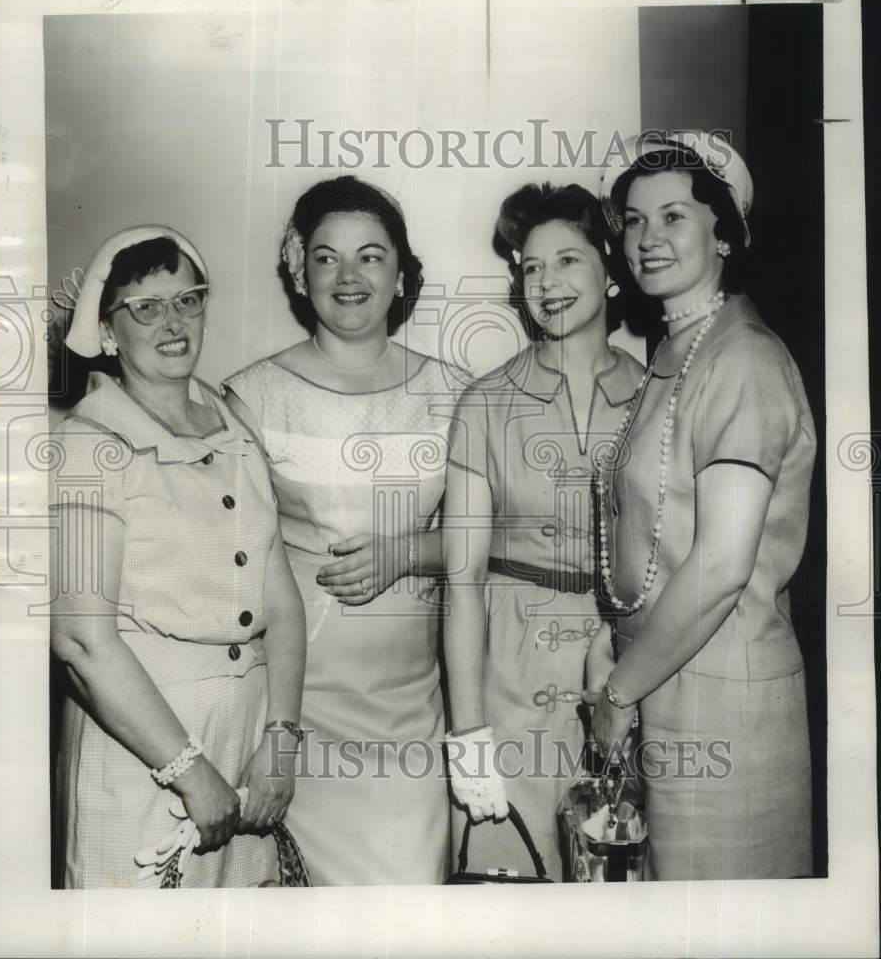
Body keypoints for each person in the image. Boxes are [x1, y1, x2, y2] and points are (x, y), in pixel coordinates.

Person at [586, 132, 816, 880]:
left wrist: (620, 691)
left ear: (724, 233)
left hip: (723, 701)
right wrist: (615, 644)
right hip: (664, 673)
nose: (647, 237)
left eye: (674, 216)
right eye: (632, 218)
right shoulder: (678, 351)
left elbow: (720, 563)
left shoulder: (741, 356)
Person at [49, 226, 306, 888]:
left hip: (245, 745)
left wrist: (280, 739)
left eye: (187, 300)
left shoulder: (231, 422)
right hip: (144, 751)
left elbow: (280, 599)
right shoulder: (86, 445)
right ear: (108, 332)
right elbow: (81, 640)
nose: (173, 322)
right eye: (145, 307)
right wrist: (187, 772)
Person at [224, 176, 460, 885]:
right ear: (301, 275)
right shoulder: (250, 396)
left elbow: (506, 537)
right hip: (293, 714)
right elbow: (237, 559)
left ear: (400, 274)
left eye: (369, 256)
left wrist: (410, 551)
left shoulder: (456, 392)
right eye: (326, 258)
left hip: (410, 710)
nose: (348, 276)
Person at [442, 183, 644, 879]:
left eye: (567, 261)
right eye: (530, 267)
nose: (546, 283)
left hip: (625, 666)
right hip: (507, 664)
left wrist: (618, 659)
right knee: (505, 891)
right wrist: (467, 733)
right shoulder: (485, 403)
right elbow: (461, 578)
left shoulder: (657, 400)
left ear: (611, 270)